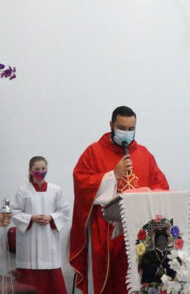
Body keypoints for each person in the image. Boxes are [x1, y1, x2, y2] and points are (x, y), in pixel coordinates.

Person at [70, 106, 169, 294]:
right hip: (105, 231)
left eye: (131, 129)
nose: (126, 133)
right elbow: (81, 184)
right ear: (111, 125)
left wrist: (146, 192)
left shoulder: (144, 154)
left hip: (139, 232)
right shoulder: (94, 152)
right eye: (122, 128)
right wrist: (112, 176)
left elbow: (161, 187)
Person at [11, 156, 70, 294]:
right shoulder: (23, 190)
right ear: (30, 171)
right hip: (29, 244)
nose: (40, 171)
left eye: (43, 168)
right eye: (37, 169)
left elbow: (65, 211)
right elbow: (14, 211)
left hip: (49, 243)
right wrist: (31, 218)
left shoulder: (56, 190)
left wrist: (51, 217)